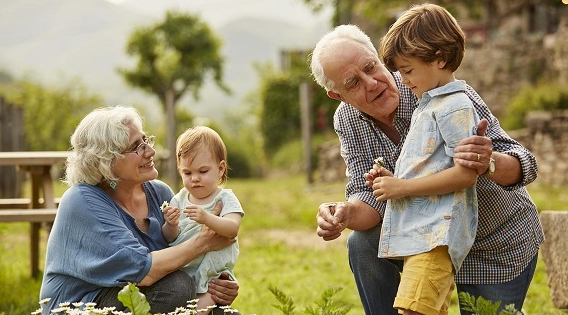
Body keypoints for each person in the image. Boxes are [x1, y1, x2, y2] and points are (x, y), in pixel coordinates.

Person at [310, 22, 544, 315]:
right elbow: (367, 195)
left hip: (491, 239)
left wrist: (489, 162)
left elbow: (525, 163)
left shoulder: (441, 90)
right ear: (338, 95)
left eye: (371, 68)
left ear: (380, 58)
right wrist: (345, 213)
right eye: (353, 83)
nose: (371, 83)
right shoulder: (348, 119)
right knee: (363, 243)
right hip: (425, 240)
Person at [39, 106, 239, 315]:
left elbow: (181, 254)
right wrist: (204, 241)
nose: (150, 151)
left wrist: (218, 284)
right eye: (137, 147)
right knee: (176, 288)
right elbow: (144, 271)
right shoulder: (81, 201)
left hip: (144, 293)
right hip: (85, 305)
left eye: (146, 141)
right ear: (106, 161)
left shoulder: (160, 193)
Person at [369, 4, 480, 315]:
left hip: (436, 237)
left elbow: (465, 175)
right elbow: (430, 166)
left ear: (440, 59)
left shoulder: (455, 106)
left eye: (408, 70)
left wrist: (402, 188)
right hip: (422, 235)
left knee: (413, 311)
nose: (403, 81)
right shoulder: (429, 103)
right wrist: (389, 179)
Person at [162, 126, 244, 314]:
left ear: (220, 168)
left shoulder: (224, 198)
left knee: (196, 311)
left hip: (212, 277)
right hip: (184, 271)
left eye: (203, 171)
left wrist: (206, 217)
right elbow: (169, 238)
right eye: (187, 173)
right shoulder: (179, 199)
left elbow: (232, 229)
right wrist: (171, 224)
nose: (195, 179)